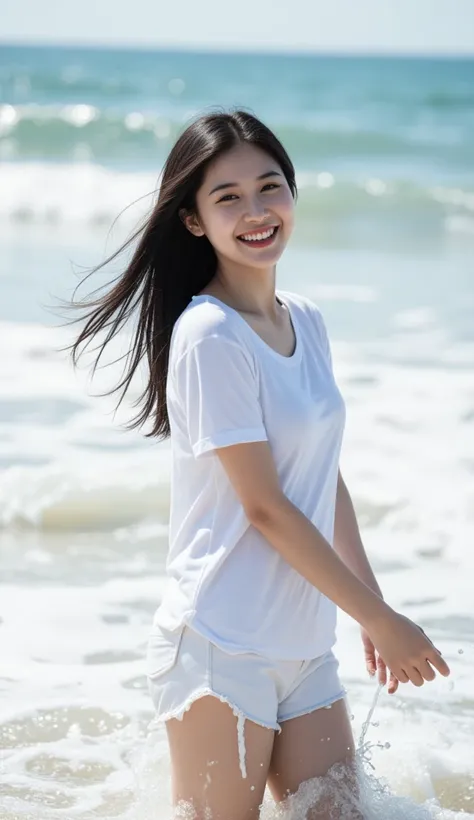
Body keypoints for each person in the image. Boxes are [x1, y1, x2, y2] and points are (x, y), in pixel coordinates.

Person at [67, 109, 451, 820]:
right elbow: (266, 507)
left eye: (270, 187)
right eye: (228, 198)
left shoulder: (306, 319)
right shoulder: (209, 335)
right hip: (221, 644)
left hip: (303, 645)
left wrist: (367, 611)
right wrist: (380, 616)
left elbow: (321, 472)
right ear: (193, 221)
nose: (256, 211)